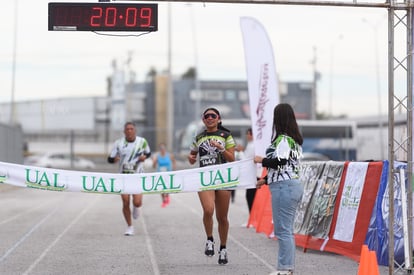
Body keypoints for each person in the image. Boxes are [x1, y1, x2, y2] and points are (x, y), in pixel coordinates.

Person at [253, 103, 304, 275]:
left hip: (285, 187)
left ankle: (285, 269)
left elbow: (280, 162)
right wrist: (266, 180)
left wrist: (261, 160)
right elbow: (286, 167)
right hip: (289, 185)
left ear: (278, 118)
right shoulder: (294, 140)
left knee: (283, 230)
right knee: (286, 230)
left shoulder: (283, 139)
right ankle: (287, 268)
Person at [188, 107, 236, 265]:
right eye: (206, 116)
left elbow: (232, 159)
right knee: (208, 209)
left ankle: (223, 248)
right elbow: (192, 155)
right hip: (205, 179)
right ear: (203, 119)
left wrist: (221, 148)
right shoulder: (199, 136)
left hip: (222, 179)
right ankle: (209, 239)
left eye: (213, 116)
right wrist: (191, 157)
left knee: (222, 217)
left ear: (218, 119)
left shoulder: (226, 136)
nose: (210, 118)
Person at [107, 121, 151, 236]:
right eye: (127, 129)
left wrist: (144, 157)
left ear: (135, 131)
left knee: (137, 202)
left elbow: (149, 153)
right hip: (124, 176)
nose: (129, 131)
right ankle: (129, 226)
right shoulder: (118, 143)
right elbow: (110, 159)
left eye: (132, 129)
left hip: (137, 176)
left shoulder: (142, 142)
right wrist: (114, 159)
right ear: (124, 131)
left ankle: (136, 208)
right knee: (125, 202)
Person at [152, 142, 176, 207]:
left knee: (167, 186)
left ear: (165, 148)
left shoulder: (169, 155)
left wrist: (174, 169)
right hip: (160, 174)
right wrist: (154, 162)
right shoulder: (157, 156)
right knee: (161, 188)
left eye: (163, 148)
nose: (162, 149)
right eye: (161, 148)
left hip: (168, 174)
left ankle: (167, 196)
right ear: (159, 149)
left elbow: (174, 161)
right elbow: (153, 166)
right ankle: (163, 200)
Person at [243, 128, 257, 214]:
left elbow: (246, 159)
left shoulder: (253, 146)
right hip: (251, 175)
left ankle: (253, 218)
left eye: (248, 134)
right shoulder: (250, 145)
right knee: (250, 196)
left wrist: (241, 152)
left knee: (251, 196)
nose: (247, 136)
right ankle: (252, 217)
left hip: (254, 175)